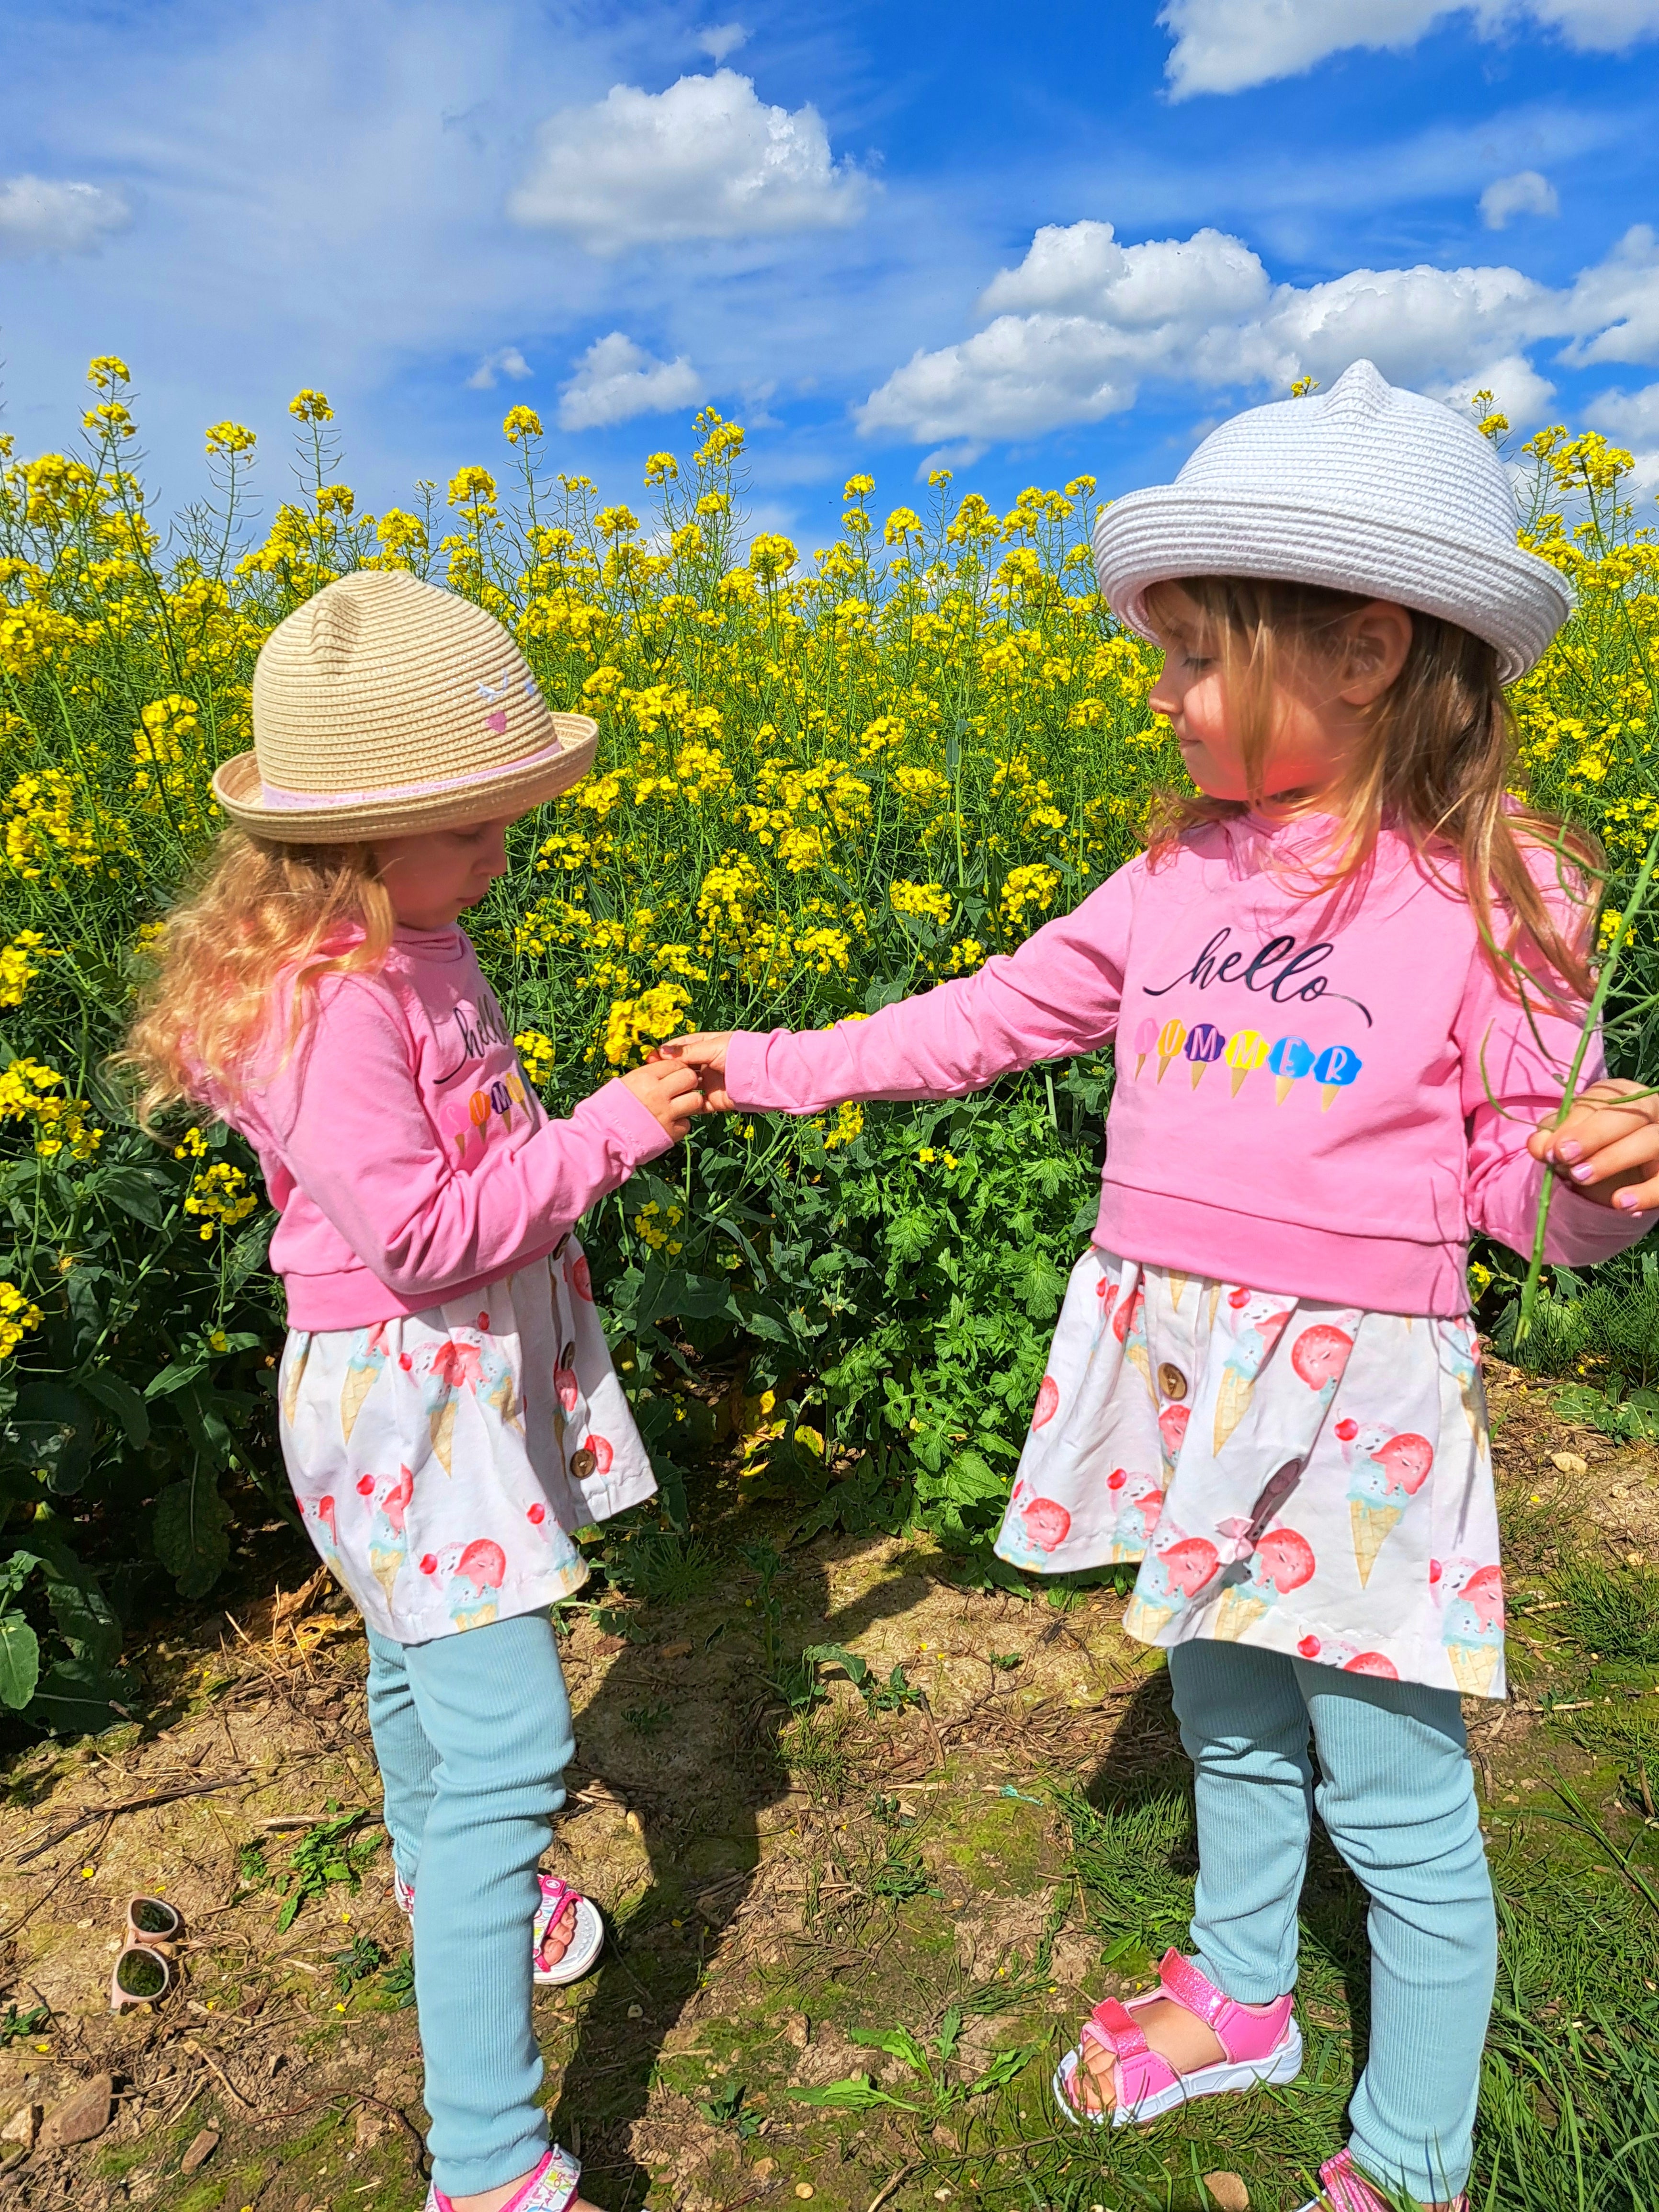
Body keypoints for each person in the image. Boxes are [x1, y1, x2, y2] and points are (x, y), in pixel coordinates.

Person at [661, 362, 1657, 2212]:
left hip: (1356, 1400)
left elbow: (1521, 1189)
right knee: (1223, 1708)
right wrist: (771, 1060)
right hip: (1189, 1366)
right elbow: (983, 1020)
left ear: (1366, 651)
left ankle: (1418, 2158)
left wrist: (1606, 1184)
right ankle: (1251, 1990)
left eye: (1199, 650)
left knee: (1396, 1790)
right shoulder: (1175, 871)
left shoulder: (1505, 885)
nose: (1159, 685)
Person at [121, 570, 705, 2212]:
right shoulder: (331, 999)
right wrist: (611, 1131)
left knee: (408, 1663)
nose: (509, 845)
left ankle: (443, 1872)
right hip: (412, 1398)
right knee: (516, 1748)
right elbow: (433, 1230)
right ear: (366, 838)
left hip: (436, 1392)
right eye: (479, 820)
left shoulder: (405, 939)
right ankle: (487, 2160)